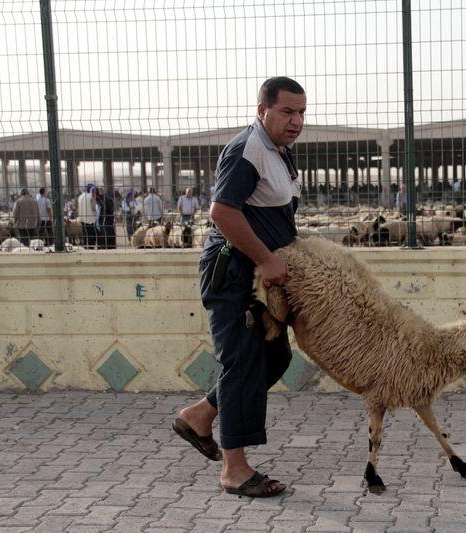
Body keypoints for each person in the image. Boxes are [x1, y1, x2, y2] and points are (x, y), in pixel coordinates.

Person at [173, 77, 305, 498]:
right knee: (243, 361)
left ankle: (200, 415)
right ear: (262, 108)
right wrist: (266, 258)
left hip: (254, 273)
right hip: (234, 271)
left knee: (274, 355)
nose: (296, 120)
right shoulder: (247, 150)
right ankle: (234, 469)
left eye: (302, 112)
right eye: (287, 111)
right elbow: (222, 212)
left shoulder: (278, 152)